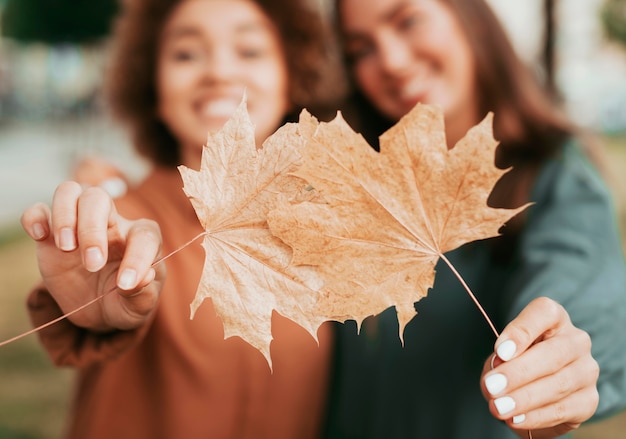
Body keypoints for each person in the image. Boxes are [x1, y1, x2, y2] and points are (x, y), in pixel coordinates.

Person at [19, 0, 342, 438]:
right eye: (186, 54)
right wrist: (102, 291)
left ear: (294, 76)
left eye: (249, 51)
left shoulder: (329, 232)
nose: (219, 72)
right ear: (152, 87)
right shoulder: (123, 223)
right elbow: (99, 298)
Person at [323, 0, 626, 438]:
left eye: (407, 20)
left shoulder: (555, 179)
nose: (390, 60)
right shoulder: (355, 186)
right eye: (360, 50)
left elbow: (582, 287)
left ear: (468, 16)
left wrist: (564, 350)